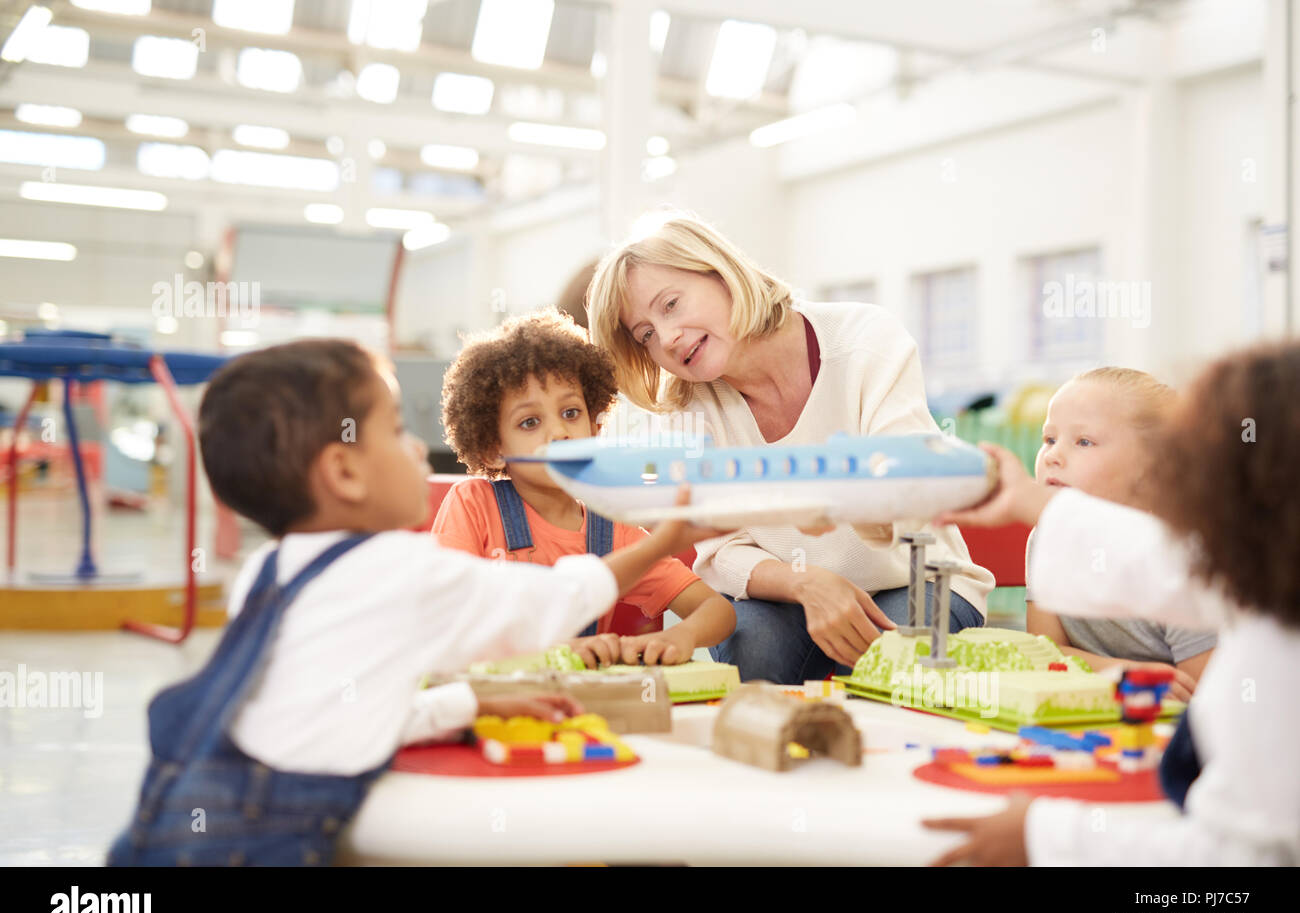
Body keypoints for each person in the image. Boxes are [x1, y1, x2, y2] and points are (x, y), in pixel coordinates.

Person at [107, 339, 713, 866]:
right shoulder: (395, 569)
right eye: (396, 429)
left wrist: (466, 703)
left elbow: (333, 716)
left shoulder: (268, 569)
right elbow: (549, 601)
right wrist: (664, 541)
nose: (419, 450)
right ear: (345, 473)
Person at [923, 342, 1300, 865]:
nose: (1187, 476)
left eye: (1200, 459)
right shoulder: (1260, 577)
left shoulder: (1275, 656)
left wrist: (1046, 836)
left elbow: (1233, 873)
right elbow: (1163, 564)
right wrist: (1029, 500)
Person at [586, 210, 993, 683]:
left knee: (888, 651)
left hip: (914, 579)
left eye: (671, 304)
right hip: (790, 596)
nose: (669, 338)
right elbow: (722, 552)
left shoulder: (865, 340)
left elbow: (907, 485)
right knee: (752, 644)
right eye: (647, 335)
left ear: (720, 271)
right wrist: (808, 582)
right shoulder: (689, 410)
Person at [435, 308, 735, 667]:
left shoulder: (612, 527)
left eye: (571, 413)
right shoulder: (472, 505)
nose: (560, 432)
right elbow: (445, 619)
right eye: (530, 422)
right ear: (492, 449)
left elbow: (717, 610)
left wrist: (679, 636)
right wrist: (552, 653)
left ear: (595, 428)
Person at [1027, 366, 1216, 700]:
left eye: (1083, 441)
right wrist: (1119, 673)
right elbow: (1044, 651)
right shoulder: (1046, 536)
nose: (1053, 455)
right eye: (1049, 439)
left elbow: (1203, 694)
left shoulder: (1180, 555)